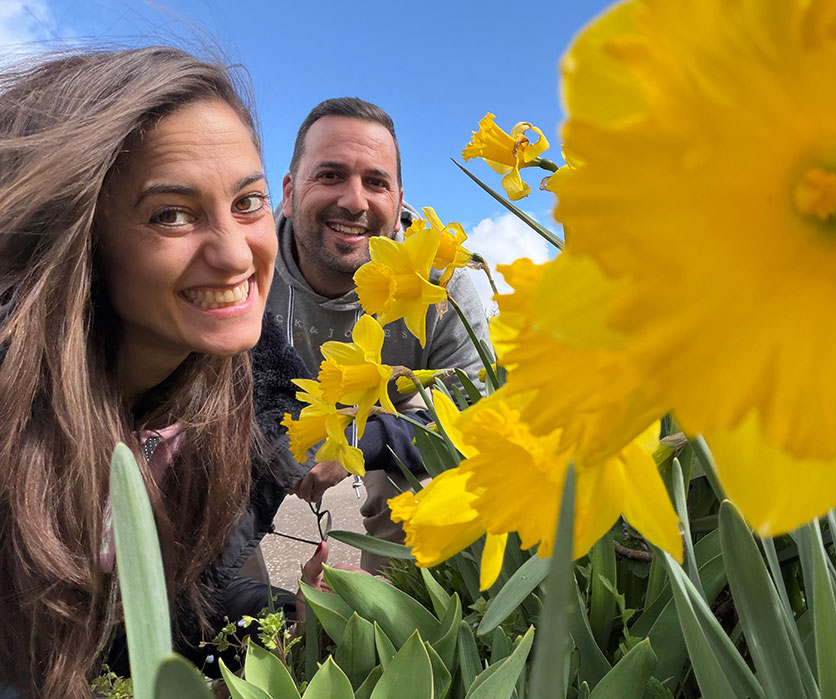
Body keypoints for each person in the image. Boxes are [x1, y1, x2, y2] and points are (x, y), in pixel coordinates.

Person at [0, 47, 312, 698]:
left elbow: (195, 598)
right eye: (171, 212)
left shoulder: (242, 393)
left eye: (248, 202)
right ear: (81, 232)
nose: (234, 254)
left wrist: (304, 618)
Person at [270, 97, 490, 572]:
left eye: (375, 182)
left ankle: (397, 625)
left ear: (399, 201)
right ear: (288, 193)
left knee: (429, 481)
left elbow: (475, 417)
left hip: (383, 411)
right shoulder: (245, 264)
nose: (354, 201)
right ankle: (236, 630)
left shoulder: (441, 285)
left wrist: (357, 441)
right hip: (266, 400)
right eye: (329, 175)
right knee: (199, 463)